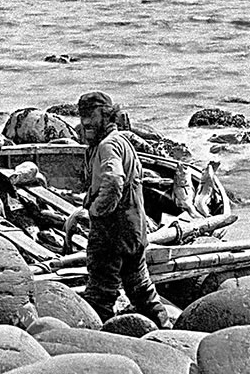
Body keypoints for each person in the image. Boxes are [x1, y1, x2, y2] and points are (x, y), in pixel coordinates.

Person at [75, 91, 170, 328]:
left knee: (101, 292)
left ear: (107, 116)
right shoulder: (122, 143)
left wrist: (96, 210)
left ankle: (101, 339)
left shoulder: (107, 146)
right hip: (134, 229)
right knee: (141, 288)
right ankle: (165, 327)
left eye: (91, 115)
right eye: (82, 115)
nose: (85, 121)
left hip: (112, 231)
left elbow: (114, 180)